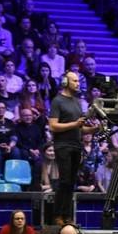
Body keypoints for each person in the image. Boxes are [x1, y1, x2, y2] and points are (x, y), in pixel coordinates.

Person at [48, 71, 98, 223]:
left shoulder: (77, 101)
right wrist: (75, 124)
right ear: (65, 82)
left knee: (71, 182)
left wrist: (94, 129)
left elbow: (80, 128)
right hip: (63, 145)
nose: (78, 83)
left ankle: (67, 215)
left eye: (78, 81)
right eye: (74, 81)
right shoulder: (57, 101)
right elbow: (53, 126)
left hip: (76, 145)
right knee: (64, 181)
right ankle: (57, 215)